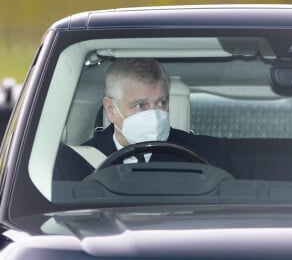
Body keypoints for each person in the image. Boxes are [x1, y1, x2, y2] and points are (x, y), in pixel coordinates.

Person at [54, 58, 228, 180]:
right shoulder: (75, 165)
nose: (154, 114)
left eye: (161, 103)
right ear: (111, 109)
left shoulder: (204, 154)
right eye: (140, 105)